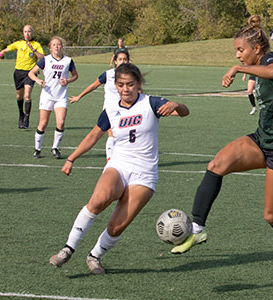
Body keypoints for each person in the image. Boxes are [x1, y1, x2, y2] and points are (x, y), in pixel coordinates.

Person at [171, 15, 273, 289]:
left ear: (257, 49)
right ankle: (197, 230)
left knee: (272, 216)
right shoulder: (267, 65)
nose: (237, 54)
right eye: (236, 51)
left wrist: (240, 69)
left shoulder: (270, 60)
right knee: (218, 163)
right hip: (263, 139)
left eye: (240, 50)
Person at [49, 63, 189, 274]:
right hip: (119, 164)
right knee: (98, 200)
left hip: (145, 173)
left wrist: (176, 105)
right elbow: (93, 136)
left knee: (117, 226)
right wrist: (71, 158)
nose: (126, 89)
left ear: (138, 84)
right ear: (115, 85)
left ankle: (94, 256)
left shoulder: (151, 103)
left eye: (130, 84)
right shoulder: (111, 109)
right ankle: (68, 248)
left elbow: (184, 113)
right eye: (121, 85)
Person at [69, 50, 130, 160]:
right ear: (115, 61)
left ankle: (123, 159)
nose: (123, 61)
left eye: (125, 59)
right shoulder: (108, 74)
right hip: (110, 110)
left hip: (127, 109)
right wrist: (79, 96)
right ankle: (110, 160)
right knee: (112, 135)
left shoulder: (132, 75)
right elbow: (93, 86)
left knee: (124, 136)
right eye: (120, 59)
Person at [28, 36, 78, 159]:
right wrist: (38, 80)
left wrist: (68, 81)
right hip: (47, 95)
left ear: (62, 47)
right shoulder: (45, 60)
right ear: (50, 48)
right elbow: (31, 73)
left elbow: (75, 76)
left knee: (60, 122)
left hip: (61, 96)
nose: (56, 46)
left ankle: (55, 148)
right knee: (43, 123)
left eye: (58, 44)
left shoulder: (68, 61)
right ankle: (37, 149)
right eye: (54, 45)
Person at [0, 24, 44, 129]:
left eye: (29, 31)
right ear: (23, 33)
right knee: (19, 96)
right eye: (25, 32)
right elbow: (6, 50)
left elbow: (43, 57)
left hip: (30, 73)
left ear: (32, 33)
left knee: (27, 96)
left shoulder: (36, 45)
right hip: (18, 73)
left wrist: (33, 50)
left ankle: (26, 118)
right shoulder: (19, 43)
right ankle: (21, 115)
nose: (27, 34)